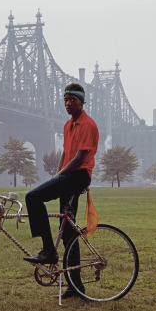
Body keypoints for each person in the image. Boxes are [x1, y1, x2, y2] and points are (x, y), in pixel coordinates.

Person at [24, 83, 99, 297]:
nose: (68, 103)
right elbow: (66, 154)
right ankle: (76, 287)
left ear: (82, 102)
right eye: (65, 100)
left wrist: (60, 175)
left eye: (72, 100)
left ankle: (48, 251)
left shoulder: (87, 124)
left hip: (78, 175)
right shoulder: (68, 125)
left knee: (33, 196)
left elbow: (79, 159)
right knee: (68, 232)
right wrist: (57, 172)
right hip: (69, 175)